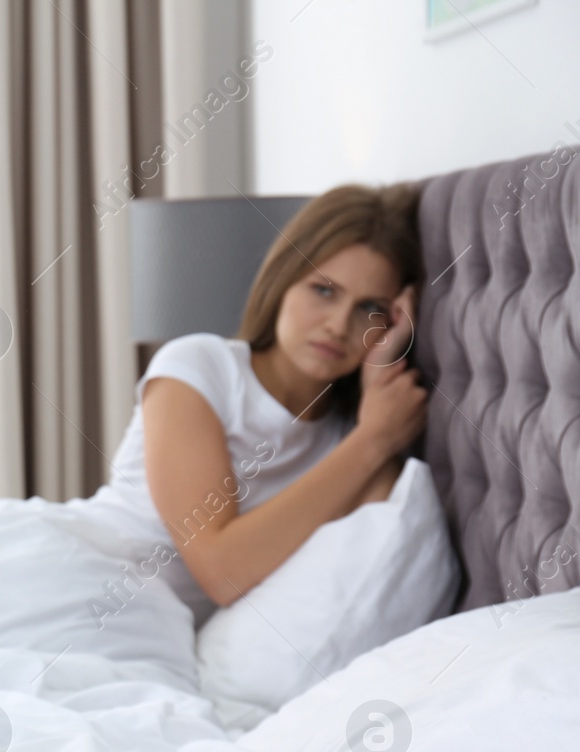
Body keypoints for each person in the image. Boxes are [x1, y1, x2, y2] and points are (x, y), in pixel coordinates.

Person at [65, 182, 430, 628]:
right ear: (283, 280)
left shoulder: (352, 441)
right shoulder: (199, 367)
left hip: (160, 631)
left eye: (369, 308)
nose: (338, 325)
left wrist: (375, 408)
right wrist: (374, 438)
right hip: (89, 577)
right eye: (324, 291)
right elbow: (222, 572)